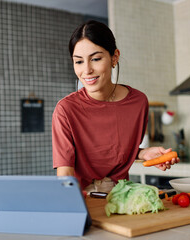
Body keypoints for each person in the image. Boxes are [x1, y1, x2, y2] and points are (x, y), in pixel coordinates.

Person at [52, 20, 179, 193]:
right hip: (82, 197)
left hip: (122, 194)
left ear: (115, 57)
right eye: (79, 61)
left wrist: (141, 153)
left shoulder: (138, 102)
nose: (87, 70)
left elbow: (113, 151)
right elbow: (65, 171)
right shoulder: (66, 109)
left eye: (96, 59)